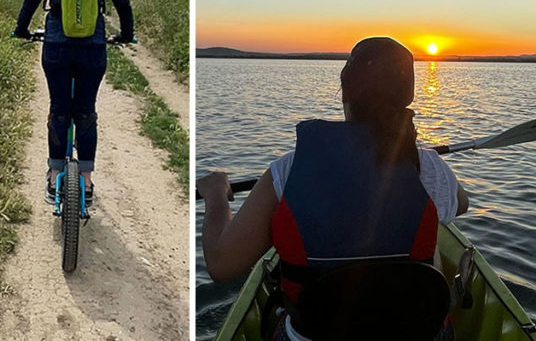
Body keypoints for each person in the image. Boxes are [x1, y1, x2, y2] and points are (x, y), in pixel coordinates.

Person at [197, 36, 470, 340]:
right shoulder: (428, 166)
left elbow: (221, 264)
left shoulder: (288, 169)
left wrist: (216, 195)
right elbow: (461, 204)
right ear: (407, 97)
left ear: (345, 94)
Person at [13, 0, 134, 205]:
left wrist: (22, 30)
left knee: (59, 109)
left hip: (56, 46)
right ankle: (87, 180)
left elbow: (31, 0)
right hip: (92, 48)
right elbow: (123, 2)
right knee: (86, 111)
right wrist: (126, 35)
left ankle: (55, 178)